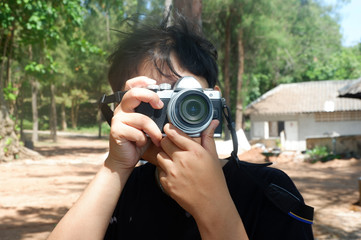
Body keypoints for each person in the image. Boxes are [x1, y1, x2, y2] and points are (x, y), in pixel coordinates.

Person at [47, 14, 314, 240]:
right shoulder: (119, 192)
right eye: (154, 99)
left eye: (190, 98)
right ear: (123, 111)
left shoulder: (270, 191)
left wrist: (213, 205)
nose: (177, 115)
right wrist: (115, 167)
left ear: (216, 101)